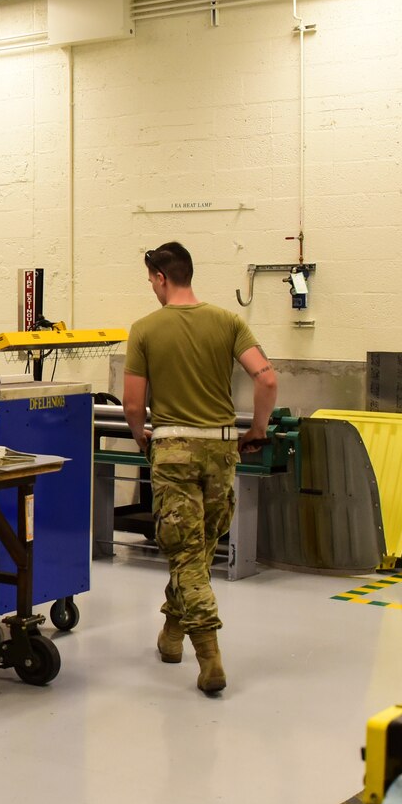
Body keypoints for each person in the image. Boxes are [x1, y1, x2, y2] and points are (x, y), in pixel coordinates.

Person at [121, 242, 278, 696]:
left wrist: (138, 434)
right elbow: (266, 378)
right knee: (198, 551)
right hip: (222, 452)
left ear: (159, 278)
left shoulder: (146, 328)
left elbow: (134, 403)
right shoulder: (228, 321)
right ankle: (171, 636)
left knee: (187, 555)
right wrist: (259, 430)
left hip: (172, 451)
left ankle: (208, 656)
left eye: (151, 279)